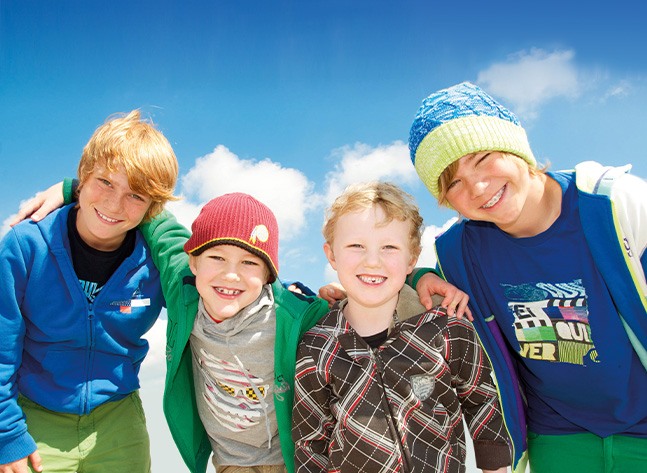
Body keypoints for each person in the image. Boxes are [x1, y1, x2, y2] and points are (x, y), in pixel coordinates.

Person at [407, 81, 647, 473]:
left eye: (483, 158)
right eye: (454, 182)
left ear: (516, 146)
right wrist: (415, 278)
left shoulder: (617, 205)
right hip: (557, 436)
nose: (479, 187)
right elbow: (398, 273)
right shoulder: (458, 253)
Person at [0, 110, 178, 473]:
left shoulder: (155, 264)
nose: (114, 205)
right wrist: (6, 434)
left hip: (118, 420)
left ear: (150, 208)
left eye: (136, 196)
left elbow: (221, 280)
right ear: (82, 177)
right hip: (32, 417)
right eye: (105, 182)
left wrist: (296, 298)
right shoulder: (24, 246)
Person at [292, 181, 511, 473]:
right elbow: (311, 441)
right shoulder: (316, 346)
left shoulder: (447, 328)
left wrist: (495, 467)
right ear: (331, 254)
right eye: (356, 245)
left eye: (389, 247)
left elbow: (481, 401)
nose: (372, 261)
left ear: (412, 258)